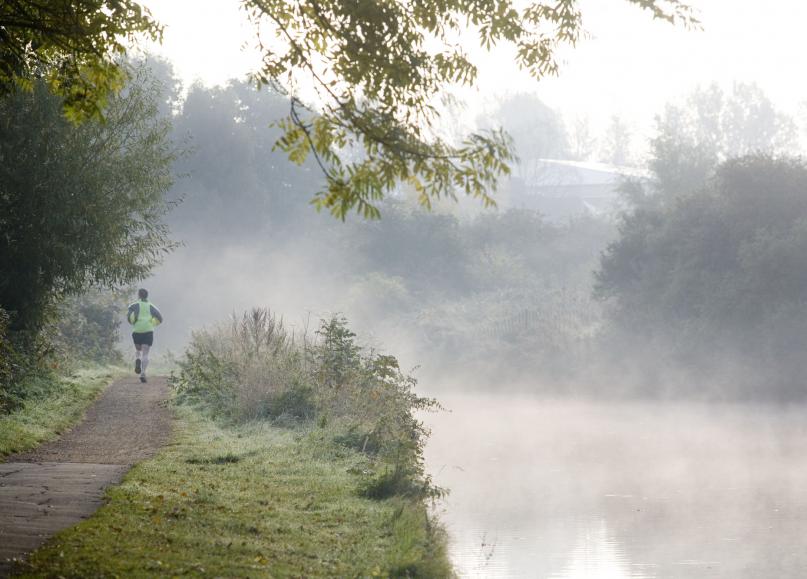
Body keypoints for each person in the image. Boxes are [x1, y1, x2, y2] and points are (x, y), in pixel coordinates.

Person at [127, 288, 163, 383]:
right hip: (148, 330)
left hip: (137, 330)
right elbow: (160, 318)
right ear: (147, 296)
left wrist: (134, 322)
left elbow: (130, 318)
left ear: (138, 295)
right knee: (146, 353)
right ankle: (143, 373)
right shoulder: (152, 306)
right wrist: (152, 323)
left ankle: (137, 359)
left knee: (138, 350)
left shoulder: (133, 306)